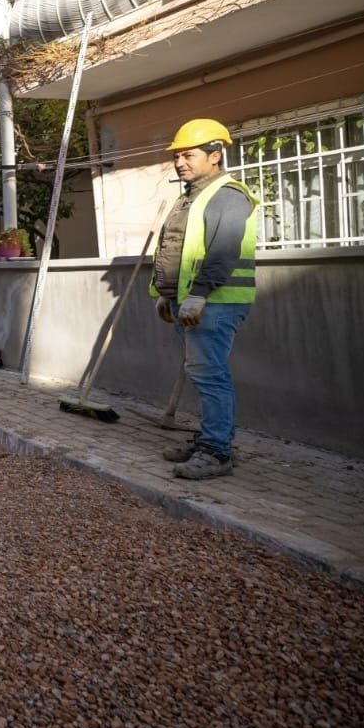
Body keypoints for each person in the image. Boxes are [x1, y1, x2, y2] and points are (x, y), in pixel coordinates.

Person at [149, 118, 257, 480]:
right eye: (177, 156)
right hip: (191, 301)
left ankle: (216, 452)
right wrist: (167, 295)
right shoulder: (190, 197)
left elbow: (222, 251)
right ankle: (212, 439)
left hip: (216, 302)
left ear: (215, 155)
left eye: (189, 155)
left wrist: (197, 296)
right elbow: (178, 250)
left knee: (210, 376)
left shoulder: (227, 195)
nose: (180, 162)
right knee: (202, 374)